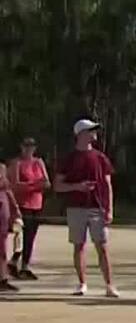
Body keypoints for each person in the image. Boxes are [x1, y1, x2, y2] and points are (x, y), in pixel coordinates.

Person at [55, 118, 118, 297]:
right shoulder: (69, 158)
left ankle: (110, 285)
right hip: (76, 208)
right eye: (91, 130)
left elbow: (108, 184)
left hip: (97, 208)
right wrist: (77, 186)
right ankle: (82, 283)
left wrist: (109, 208)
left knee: (102, 247)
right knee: (79, 246)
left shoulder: (100, 157)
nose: (94, 133)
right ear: (81, 134)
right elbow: (58, 185)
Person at [7, 137, 48, 279]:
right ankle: (14, 260)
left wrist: (30, 185)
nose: (29, 149)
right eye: (26, 146)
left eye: (32, 146)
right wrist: (35, 185)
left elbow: (46, 182)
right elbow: (14, 185)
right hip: (22, 204)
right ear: (21, 147)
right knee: (21, 235)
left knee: (30, 237)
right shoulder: (17, 163)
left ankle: (24, 265)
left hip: (36, 204)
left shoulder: (38, 162)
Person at [0, 164, 15, 292]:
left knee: (2, 248)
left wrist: (15, 208)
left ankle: (3, 278)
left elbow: (8, 190)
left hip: (2, 213)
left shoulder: (2, 168)